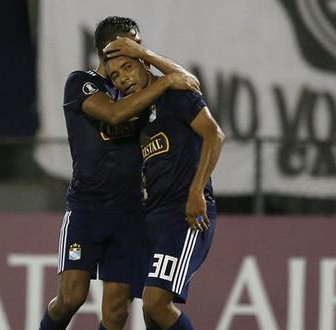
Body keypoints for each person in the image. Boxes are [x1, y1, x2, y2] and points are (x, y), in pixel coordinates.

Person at [39, 16, 201, 330]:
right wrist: (167, 81)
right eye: (132, 45)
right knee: (70, 298)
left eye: (138, 48)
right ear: (109, 50)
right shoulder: (81, 83)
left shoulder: (138, 87)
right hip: (87, 208)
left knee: (116, 313)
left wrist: (153, 61)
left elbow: (189, 81)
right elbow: (114, 115)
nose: (139, 52)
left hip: (130, 211)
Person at [104, 49, 225, 329]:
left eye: (127, 67)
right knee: (150, 314)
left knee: (156, 302)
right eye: (115, 75)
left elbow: (214, 135)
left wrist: (196, 191)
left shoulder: (176, 94)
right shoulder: (138, 112)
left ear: (144, 63)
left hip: (186, 214)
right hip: (152, 218)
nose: (123, 78)